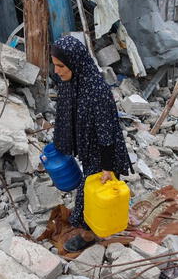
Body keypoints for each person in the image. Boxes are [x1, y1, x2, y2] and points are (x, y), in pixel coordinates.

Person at [50, 36, 132, 252]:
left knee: (88, 195)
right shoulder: (73, 82)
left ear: (75, 64)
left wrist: (107, 167)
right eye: (55, 65)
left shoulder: (97, 91)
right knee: (91, 193)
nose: (57, 71)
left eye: (60, 66)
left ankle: (88, 235)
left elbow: (106, 135)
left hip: (104, 153)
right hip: (89, 150)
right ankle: (102, 221)